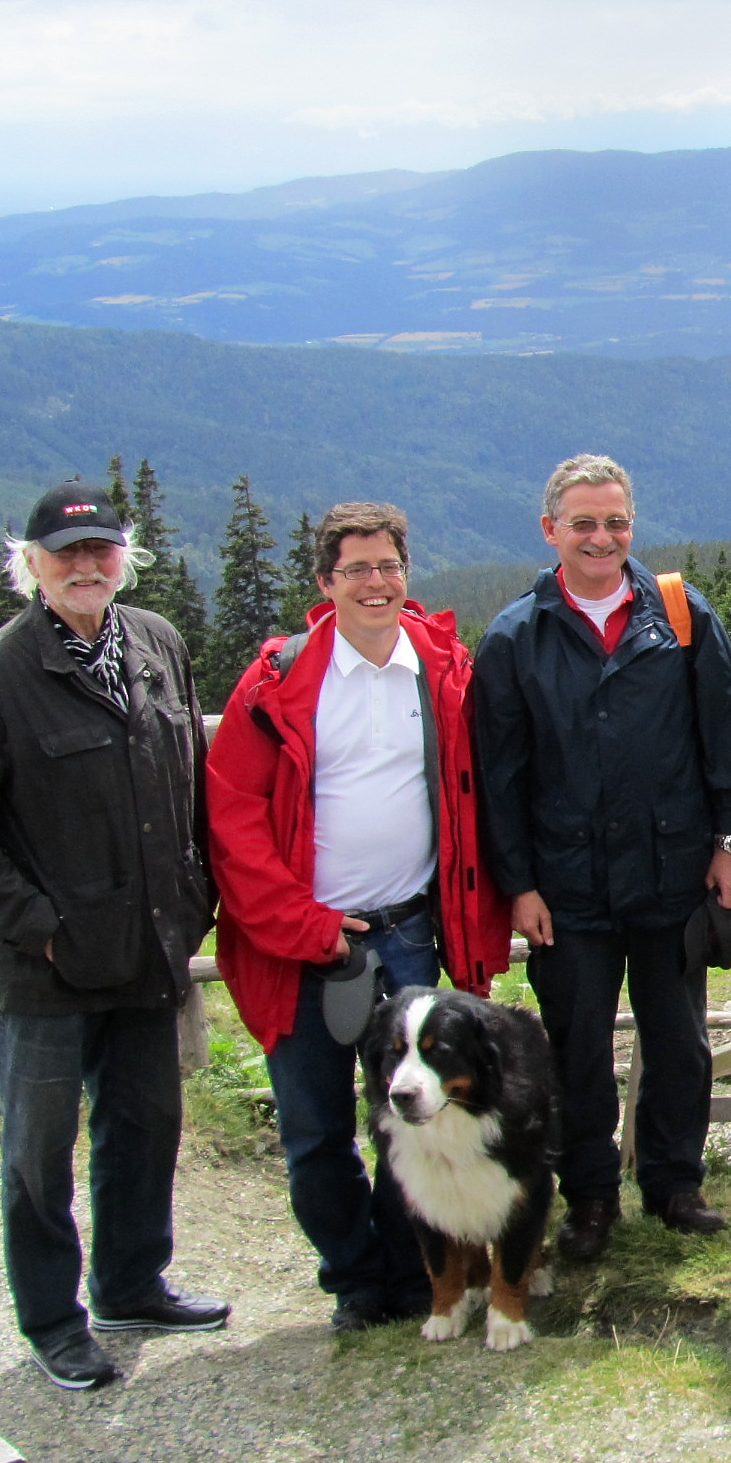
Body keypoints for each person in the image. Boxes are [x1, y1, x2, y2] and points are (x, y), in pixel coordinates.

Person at [0, 480, 228, 1391]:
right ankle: (54, 1320)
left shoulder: (158, 646)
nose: (86, 566)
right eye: (66, 554)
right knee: (37, 1149)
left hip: (147, 951)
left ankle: (132, 1284)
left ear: (122, 557)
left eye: (101, 550)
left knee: (147, 1125)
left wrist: (195, 895)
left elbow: (191, 783)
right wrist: (42, 930)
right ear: (32, 565)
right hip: (47, 971)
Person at [205, 502, 511, 1330]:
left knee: (410, 1121)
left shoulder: (444, 670)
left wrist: (480, 926)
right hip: (302, 942)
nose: (375, 584)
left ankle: (416, 1274)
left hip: (410, 931)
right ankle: (354, 1277)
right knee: (313, 1131)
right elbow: (232, 820)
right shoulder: (278, 684)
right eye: (356, 570)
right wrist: (307, 927)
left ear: (405, 573)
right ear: (325, 582)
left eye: (387, 567)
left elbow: (480, 800)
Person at [472, 454, 731, 1263]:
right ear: (550, 529)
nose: (602, 538)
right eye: (584, 523)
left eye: (616, 522)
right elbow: (500, 778)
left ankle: (673, 1183)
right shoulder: (515, 637)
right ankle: (590, 1198)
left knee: (680, 1043)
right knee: (575, 1050)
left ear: (633, 526)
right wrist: (518, 884)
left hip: (672, 873)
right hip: (567, 886)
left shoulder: (680, 614)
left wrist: (727, 842)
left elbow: (722, 733)